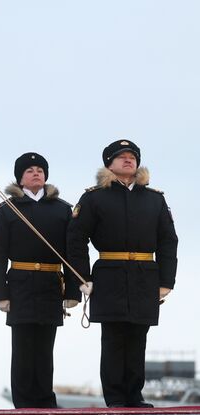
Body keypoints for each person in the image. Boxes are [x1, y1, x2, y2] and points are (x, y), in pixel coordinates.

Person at [67, 139, 178, 408]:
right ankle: (116, 398)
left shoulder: (155, 199)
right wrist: (83, 277)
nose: (128, 160)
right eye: (122, 157)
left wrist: (166, 281)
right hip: (109, 275)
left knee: (138, 337)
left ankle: (134, 396)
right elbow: (75, 238)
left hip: (145, 275)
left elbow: (168, 240)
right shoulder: (94, 197)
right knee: (114, 337)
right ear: (109, 163)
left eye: (132, 156)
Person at [0, 152, 81, 408]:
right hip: (20, 287)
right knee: (23, 349)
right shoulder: (7, 210)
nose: (36, 173)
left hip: (51, 285)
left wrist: (73, 291)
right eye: (29, 170)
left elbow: (72, 253)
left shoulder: (63, 210)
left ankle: (45, 404)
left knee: (44, 349)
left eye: (40, 169)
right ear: (20, 179)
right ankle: (23, 405)